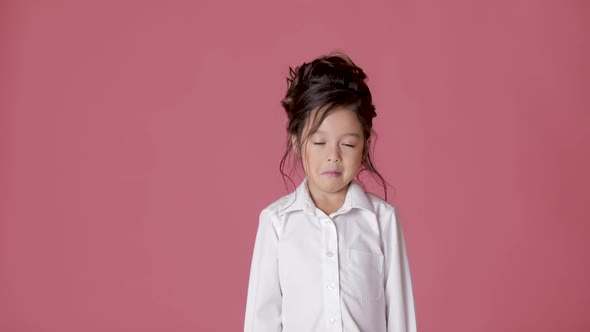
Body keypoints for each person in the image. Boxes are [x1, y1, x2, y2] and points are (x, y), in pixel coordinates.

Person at [244, 53, 417, 332]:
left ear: (365, 144)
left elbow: (400, 317)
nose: (333, 156)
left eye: (347, 144)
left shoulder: (382, 220)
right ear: (298, 141)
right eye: (320, 142)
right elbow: (261, 319)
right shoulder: (276, 222)